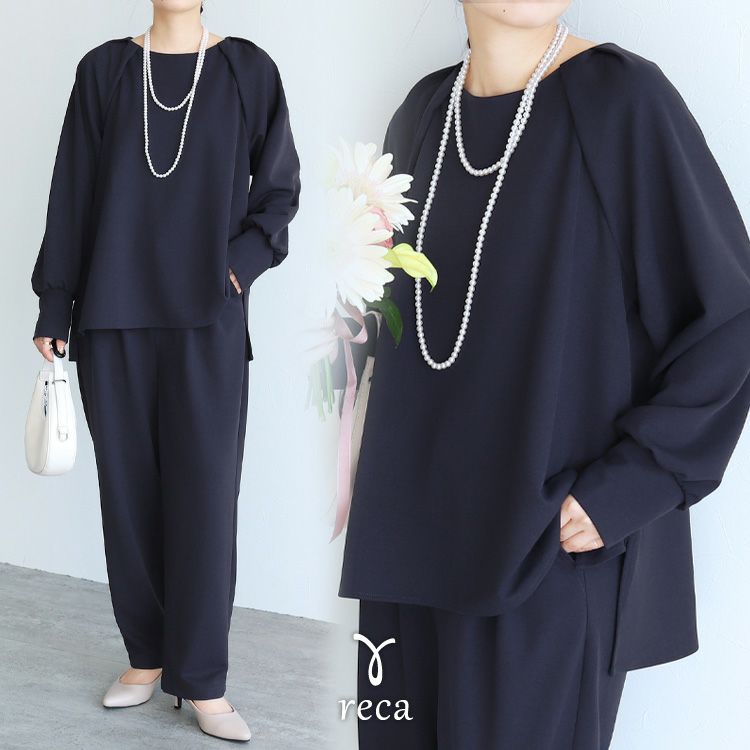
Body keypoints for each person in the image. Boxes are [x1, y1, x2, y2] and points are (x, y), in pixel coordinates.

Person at [339, 2, 750, 748]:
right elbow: (384, 318)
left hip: (543, 559)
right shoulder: (422, 115)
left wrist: (632, 483)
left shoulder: (621, 101)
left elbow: (730, 316)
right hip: (405, 550)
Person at [31, 0, 300, 741]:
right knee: (129, 499)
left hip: (208, 324)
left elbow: (279, 192)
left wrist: (236, 268)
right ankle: (146, 657)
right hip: (111, 317)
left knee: (205, 501)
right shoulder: (105, 71)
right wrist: (56, 304)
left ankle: (203, 679)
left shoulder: (248, 70)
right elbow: (71, 193)